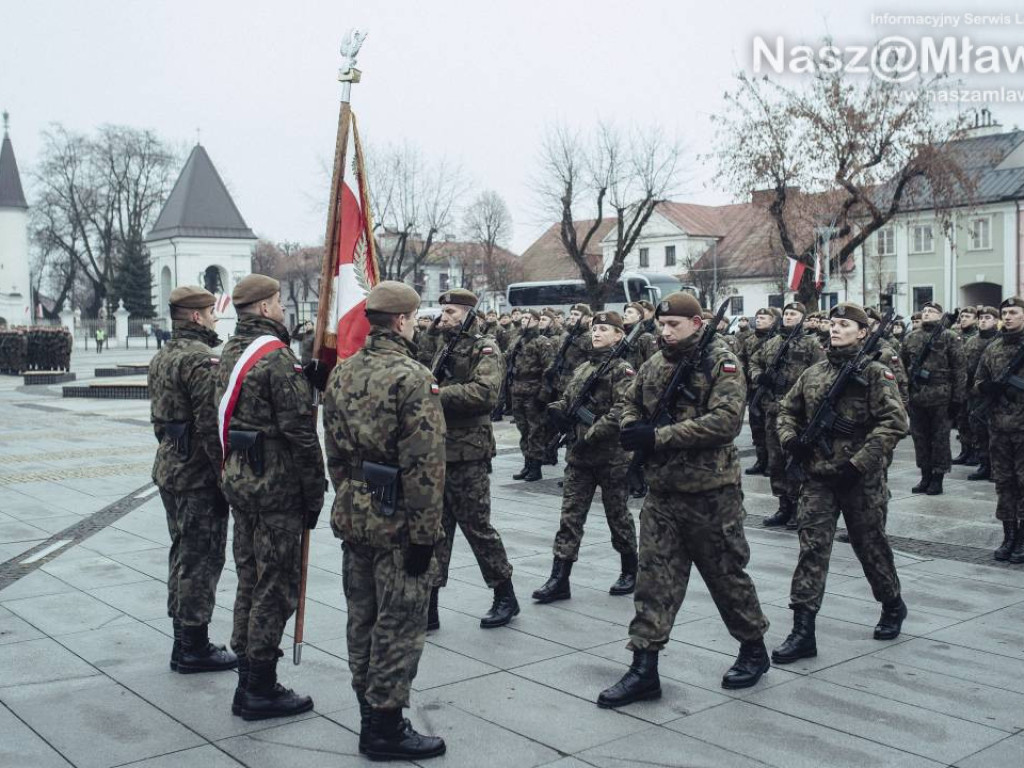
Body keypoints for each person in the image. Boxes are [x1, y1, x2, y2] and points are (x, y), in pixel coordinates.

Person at [597, 293, 770, 708]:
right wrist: (631, 425)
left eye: (674, 325)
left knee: (726, 576)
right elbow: (628, 400)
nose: (665, 331)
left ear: (696, 323)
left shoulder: (721, 362)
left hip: (711, 493)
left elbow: (725, 422)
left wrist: (657, 437)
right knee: (653, 581)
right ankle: (644, 668)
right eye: (662, 324)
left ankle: (753, 648)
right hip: (663, 493)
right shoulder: (657, 362)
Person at [324, 281, 447, 760]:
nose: (415, 326)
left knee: (362, 618)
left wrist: (350, 496)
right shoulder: (413, 377)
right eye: (414, 318)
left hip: (356, 514)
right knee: (398, 624)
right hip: (398, 521)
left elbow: (333, 449)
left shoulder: (343, 372)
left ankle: (367, 711)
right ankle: (386, 727)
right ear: (400, 321)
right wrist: (424, 535)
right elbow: (425, 466)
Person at [214, 274, 325, 721]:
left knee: (249, 579)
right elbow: (300, 434)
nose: (282, 308)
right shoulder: (275, 359)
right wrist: (314, 493)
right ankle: (260, 685)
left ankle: (246, 677)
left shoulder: (230, 352)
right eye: (278, 301)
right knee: (276, 587)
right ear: (262, 308)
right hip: (277, 490)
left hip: (243, 483)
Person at [773, 303, 910, 664]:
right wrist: (791, 439)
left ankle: (892, 604)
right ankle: (803, 631)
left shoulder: (877, 373)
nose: (835, 329)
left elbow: (895, 423)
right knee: (812, 549)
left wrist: (860, 462)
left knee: (870, 546)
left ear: (863, 332)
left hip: (859, 480)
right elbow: (787, 410)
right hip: (819, 477)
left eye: (845, 324)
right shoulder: (814, 372)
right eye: (833, 323)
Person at [148, 286, 236, 676]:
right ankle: (194, 646)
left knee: (183, 553)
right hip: (198, 476)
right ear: (197, 317)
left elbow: (158, 420)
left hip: (170, 466)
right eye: (210, 312)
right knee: (201, 557)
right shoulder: (202, 360)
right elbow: (210, 426)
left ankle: (181, 641)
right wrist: (223, 476)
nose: (216, 317)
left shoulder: (163, 355)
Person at [428, 288, 518, 631]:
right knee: (437, 531)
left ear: (468, 313)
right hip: (439, 449)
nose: (444, 318)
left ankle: (505, 594)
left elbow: (485, 394)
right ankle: (430, 605)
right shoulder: (442, 346)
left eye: (451, 312)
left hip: (469, 452)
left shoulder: (485, 347)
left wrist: (434, 394)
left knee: (477, 528)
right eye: (444, 312)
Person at [536, 311, 639, 603]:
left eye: (605, 329)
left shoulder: (623, 370)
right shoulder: (583, 368)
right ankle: (559, 578)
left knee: (617, 515)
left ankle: (630, 569)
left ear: (619, 335)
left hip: (611, 456)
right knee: (570, 516)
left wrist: (592, 432)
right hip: (579, 457)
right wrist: (557, 409)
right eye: (595, 329)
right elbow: (569, 400)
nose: (597, 334)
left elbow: (623, 409)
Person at [748, 301, 824, 528]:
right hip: (773, 409)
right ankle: (783, 506)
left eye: (794, 314)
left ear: (802, 318)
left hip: (797, 413)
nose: (789, 317)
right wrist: (760, 376)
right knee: (776, 461)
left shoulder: (812, 344)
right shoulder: (772, 343)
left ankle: (798, 507)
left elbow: (820, 373)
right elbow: (754, 362)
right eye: (786, 314)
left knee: (795, 460)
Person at [974, 297, 1024, 562]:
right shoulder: (993, 349)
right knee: (1004, 483)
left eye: (1014, 312)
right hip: (999, 428)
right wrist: (987, 388)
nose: (1009, 316)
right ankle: (1009, 535)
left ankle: (1022, 540)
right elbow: (978, 381)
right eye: (1005, 313)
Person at [899, 301, 966, 495]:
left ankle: (938, 477)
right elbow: (902, 368)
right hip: (917, 397)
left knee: (940, 440)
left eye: (932, 311)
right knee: (920, 439)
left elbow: (959, 369)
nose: (926, 313)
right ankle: (925, 476)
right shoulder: (911, 337)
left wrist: (957, 399)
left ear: (940, 315)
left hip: (941, 397)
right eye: (925, 311)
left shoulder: (949, 337)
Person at [510, 309, 553, 481]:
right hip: (517, 390)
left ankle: (536, 467)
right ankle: (527, 464)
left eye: (528, 318)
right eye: (523, 317)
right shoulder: (517, 340)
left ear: (536, 321)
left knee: (535, 430)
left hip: (533, 390)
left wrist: (543, 394)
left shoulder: (542, 342)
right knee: (523, 429)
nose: (523, 320)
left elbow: (549, 370)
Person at [740, 308, 778, 475]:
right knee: (757, 428)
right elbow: (742, 360)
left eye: (763, 318)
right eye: (757, 317)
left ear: (772, 321)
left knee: (771, 428)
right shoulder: (749, 340)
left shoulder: (778, 340)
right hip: (754, 388)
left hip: (771, 391)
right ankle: (761, 460)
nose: (759, 320)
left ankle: (773, 462)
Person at [964, 306, 1000, 481]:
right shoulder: (971, 341)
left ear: (995, 321)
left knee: (994, 431)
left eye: (988, 317)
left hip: (996, 394)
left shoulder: (999, 340)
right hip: (975, 392)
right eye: (981, 318)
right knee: (978, 429)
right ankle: (984, 464)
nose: (983, 320)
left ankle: (996, 466)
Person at [953, 307, 980, 465]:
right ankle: (965, 450)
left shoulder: (977, 337)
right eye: (962, 316)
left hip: (972, 385)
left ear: (975, 319)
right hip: (959, 385)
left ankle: (976, 452)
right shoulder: (956, 336)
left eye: (967, 316)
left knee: (973, 420)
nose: (963, 319)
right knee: (962, 419)